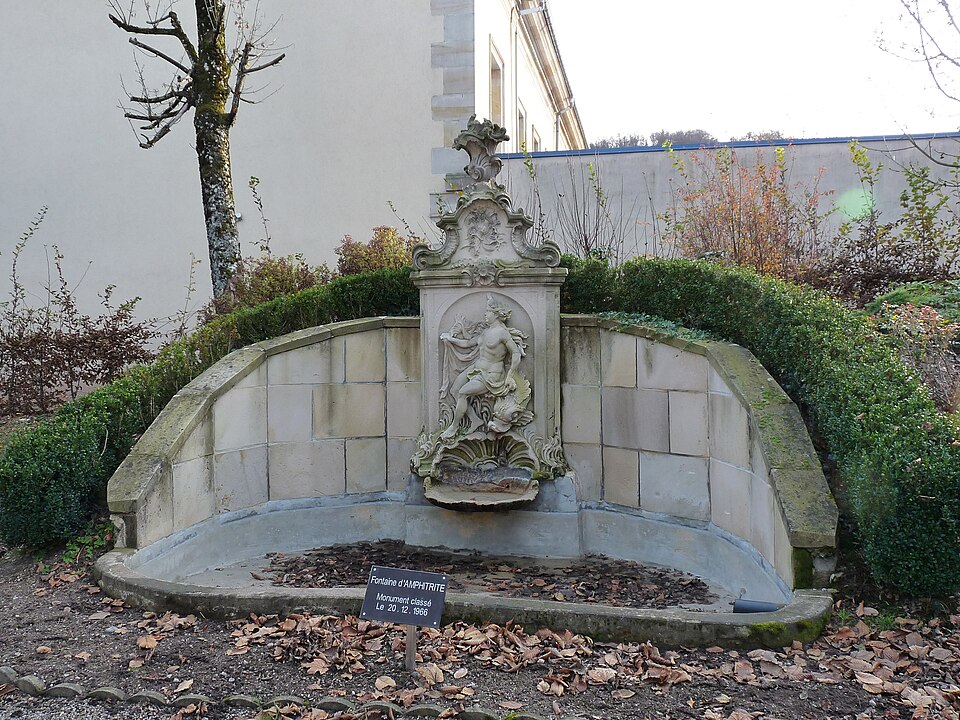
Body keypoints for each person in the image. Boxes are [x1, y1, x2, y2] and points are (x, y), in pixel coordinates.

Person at [440, 300, 525, 439]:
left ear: (496, 314)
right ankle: (475, 420)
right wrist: (451, 339)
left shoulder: (502, 333)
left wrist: (510, 375)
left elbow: (515, 353)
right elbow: (469, 343)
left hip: (491, 375)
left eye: (488, 312)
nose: (485, 314)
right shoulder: (486, 331)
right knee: (454, 390)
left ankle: (454, 427)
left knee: (462, 393)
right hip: (476, 370)